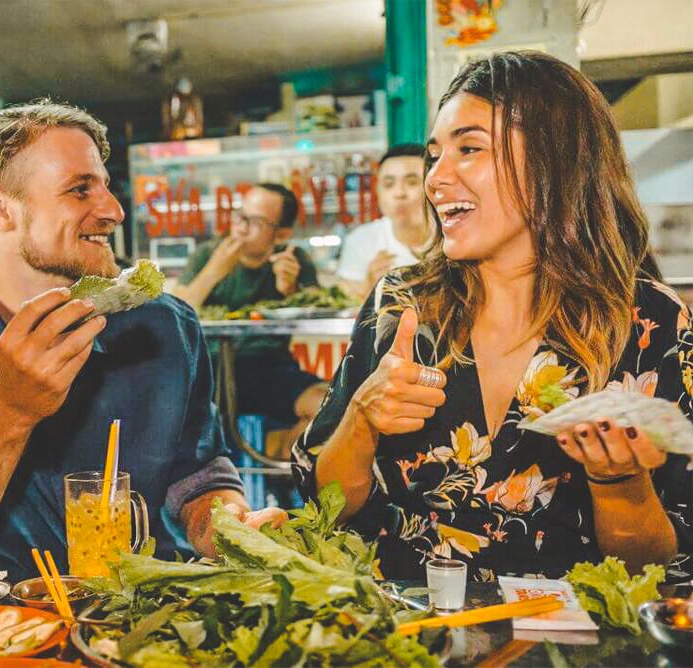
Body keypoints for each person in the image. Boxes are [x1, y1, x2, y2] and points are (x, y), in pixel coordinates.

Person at [292, 51, 691, 582]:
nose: (435, 178)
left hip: (566, 633)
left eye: (469, 149)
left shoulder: (648, 322)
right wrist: (361, 420)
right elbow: (325, 511)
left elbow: (658, 568)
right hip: (406, 625)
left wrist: (620, 485)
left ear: (555, 160)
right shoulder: (401, 305)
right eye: (435, 155)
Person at [0, 100, 285, 580]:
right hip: (8, 612)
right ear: (0, 210)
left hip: (154, 599)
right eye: (79, 189)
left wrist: (229, 526)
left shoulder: (167, 325)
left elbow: (198, 476)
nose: (113, 210)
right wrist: (11, 405)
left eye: (106, 187)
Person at [171, 183, 329, 450]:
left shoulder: (292, 258)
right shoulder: (209, 254)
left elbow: (320, 309)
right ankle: (265, 451)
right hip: (208, 372)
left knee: (331, 408)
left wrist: (290, 290)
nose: (241, 228)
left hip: (270, 368)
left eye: (255, 222)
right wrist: (214, 271)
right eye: (240, 216)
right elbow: (177, 312)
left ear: (281, 234)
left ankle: (276, 448)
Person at [335, 144, 432, 300]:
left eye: (412, 182)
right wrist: (368, 287)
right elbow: (345, 303)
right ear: (377, 190)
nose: (399, 193)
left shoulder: (451, 239)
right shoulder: (360, 240)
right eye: (388, 184)